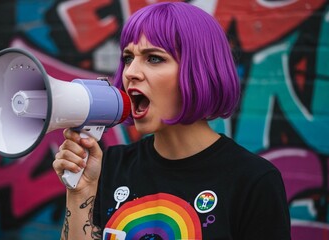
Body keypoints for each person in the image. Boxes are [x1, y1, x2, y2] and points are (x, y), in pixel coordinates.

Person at [53, 2, 291, 240]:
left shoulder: (253, 180)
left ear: (199, 71)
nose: (130, 72)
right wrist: (80, 193)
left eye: (154, 58)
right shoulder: (110, 165)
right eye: (128, 58)